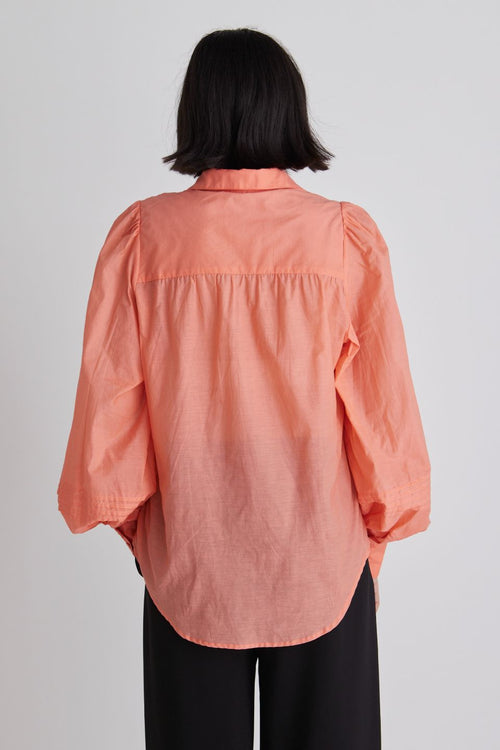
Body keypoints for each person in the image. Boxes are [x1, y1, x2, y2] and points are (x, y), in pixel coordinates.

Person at [57, 27, 431, 750]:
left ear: (195, 111)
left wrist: (149, 536)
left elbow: (109, 419)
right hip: (323, 562)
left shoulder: (143, 237)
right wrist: (376, 534)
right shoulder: (342, 238)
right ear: (287, 107)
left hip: (190, 565)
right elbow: (383, 416)